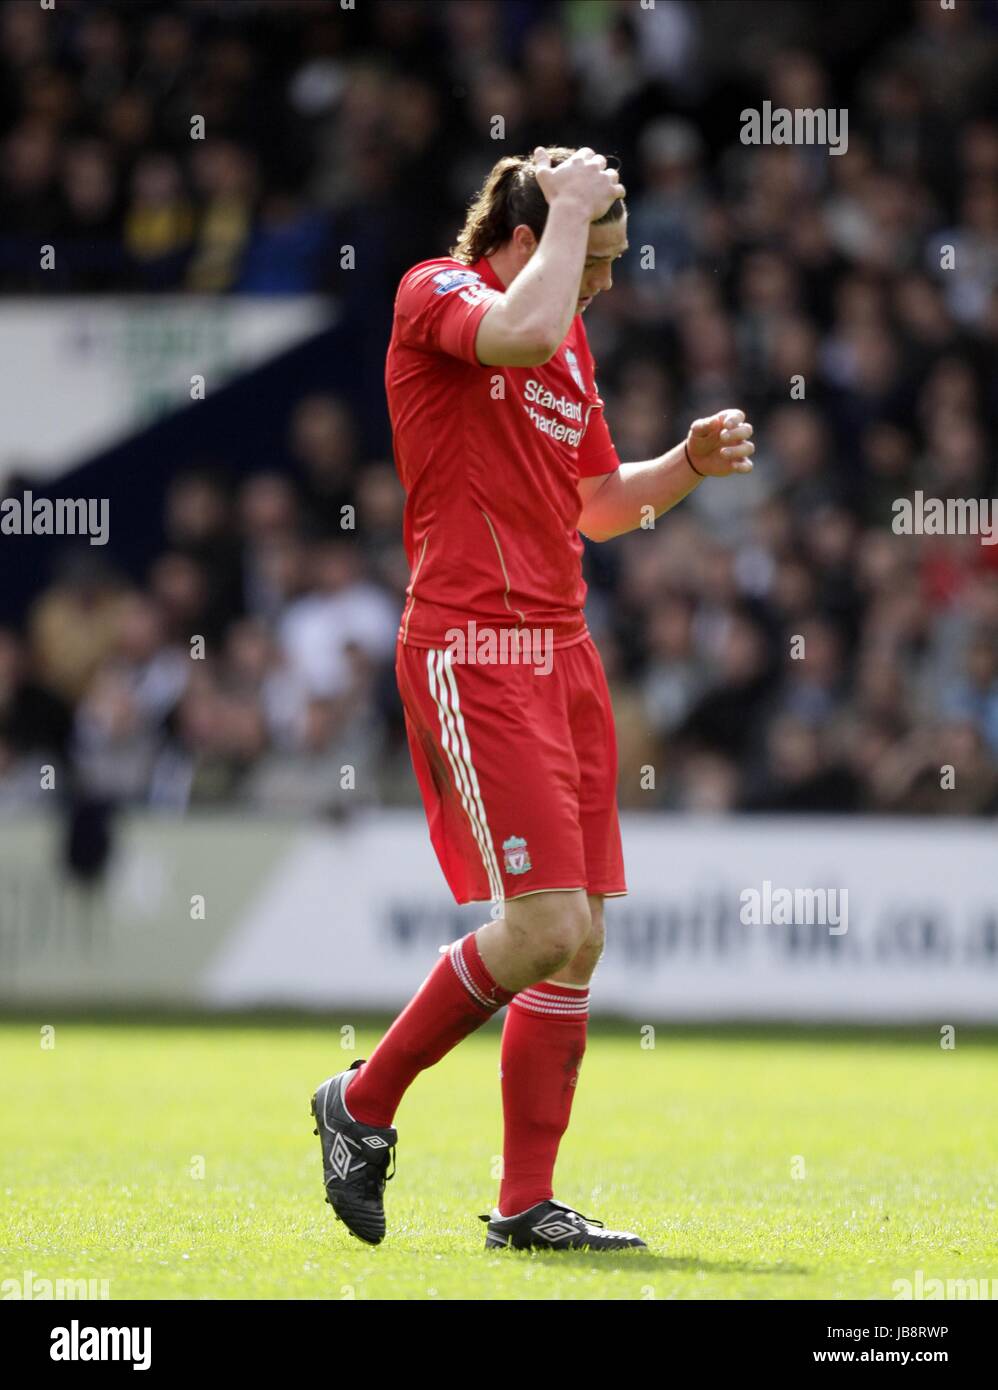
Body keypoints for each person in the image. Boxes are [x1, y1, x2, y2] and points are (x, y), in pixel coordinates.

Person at [311, 146, 755, 1251]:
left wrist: (685, 464)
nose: (601, 283)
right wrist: (565, 215)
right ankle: (360, 1102)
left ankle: (524, 1203)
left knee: (579, 938)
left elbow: (599, 504)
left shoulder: (567, 337)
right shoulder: (437, 291)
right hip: (473, 644)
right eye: (591, 259)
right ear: (525, 237)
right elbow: (515, 328)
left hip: (562, 650)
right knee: (542, 921)